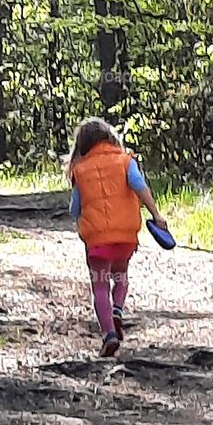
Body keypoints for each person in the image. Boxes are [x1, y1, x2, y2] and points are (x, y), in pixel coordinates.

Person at [65, 118, 167, 357]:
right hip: (125, 237)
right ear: (110, 137)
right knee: (120, 276)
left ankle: (109, 334)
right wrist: (156, 215)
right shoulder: (125, 162)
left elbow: (74, 208)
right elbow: (140, 186)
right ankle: (118, 310)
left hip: (98, 242)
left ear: (82, 145)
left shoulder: (80, 171)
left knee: (100, 287)